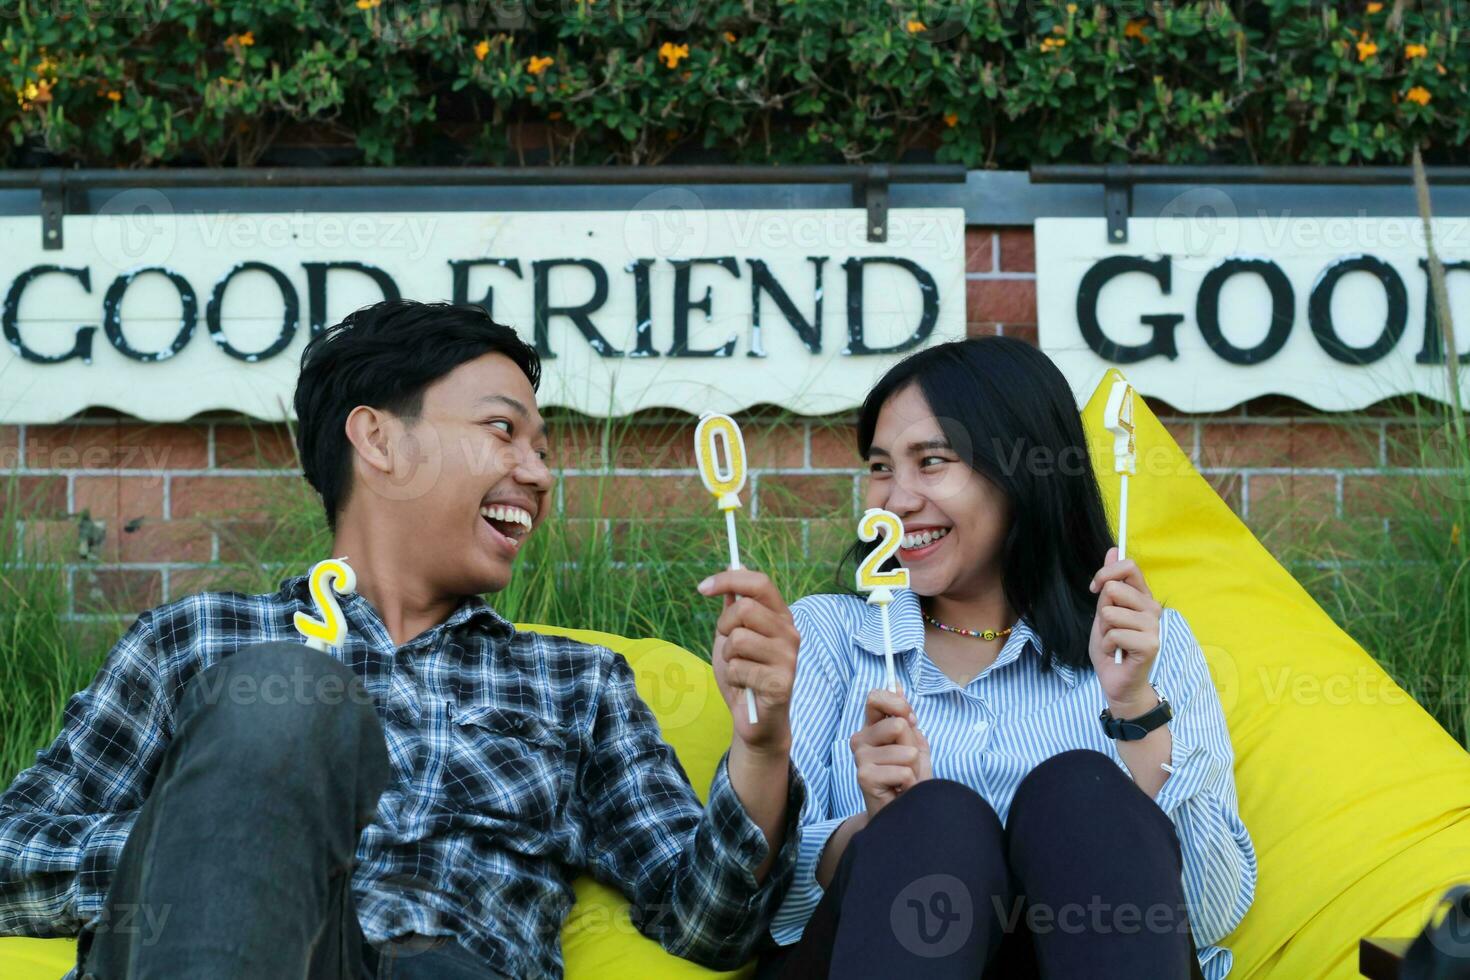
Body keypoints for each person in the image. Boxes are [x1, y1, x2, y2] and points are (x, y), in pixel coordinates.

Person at [0, 299, 805, 980]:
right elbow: (12, 856)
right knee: (286, 697)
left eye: (544, 449)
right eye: (504, 431)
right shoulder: (194, 640)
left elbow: (709, 925)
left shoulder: (578, 683)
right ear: (379, 441)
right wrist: (229, 847)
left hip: (444, 966)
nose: (538, 472)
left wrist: (762, 747)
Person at [757, 337, 1256, 979]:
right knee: (933, 819)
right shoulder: (826, 637)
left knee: (1083, 791)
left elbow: (1214, 913)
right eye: (881, 467)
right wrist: (876, 830)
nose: (897, 498)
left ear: (1021, 473)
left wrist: (1135, 711)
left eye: (931, 462)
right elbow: (761, 907)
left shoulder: (1145, 644)